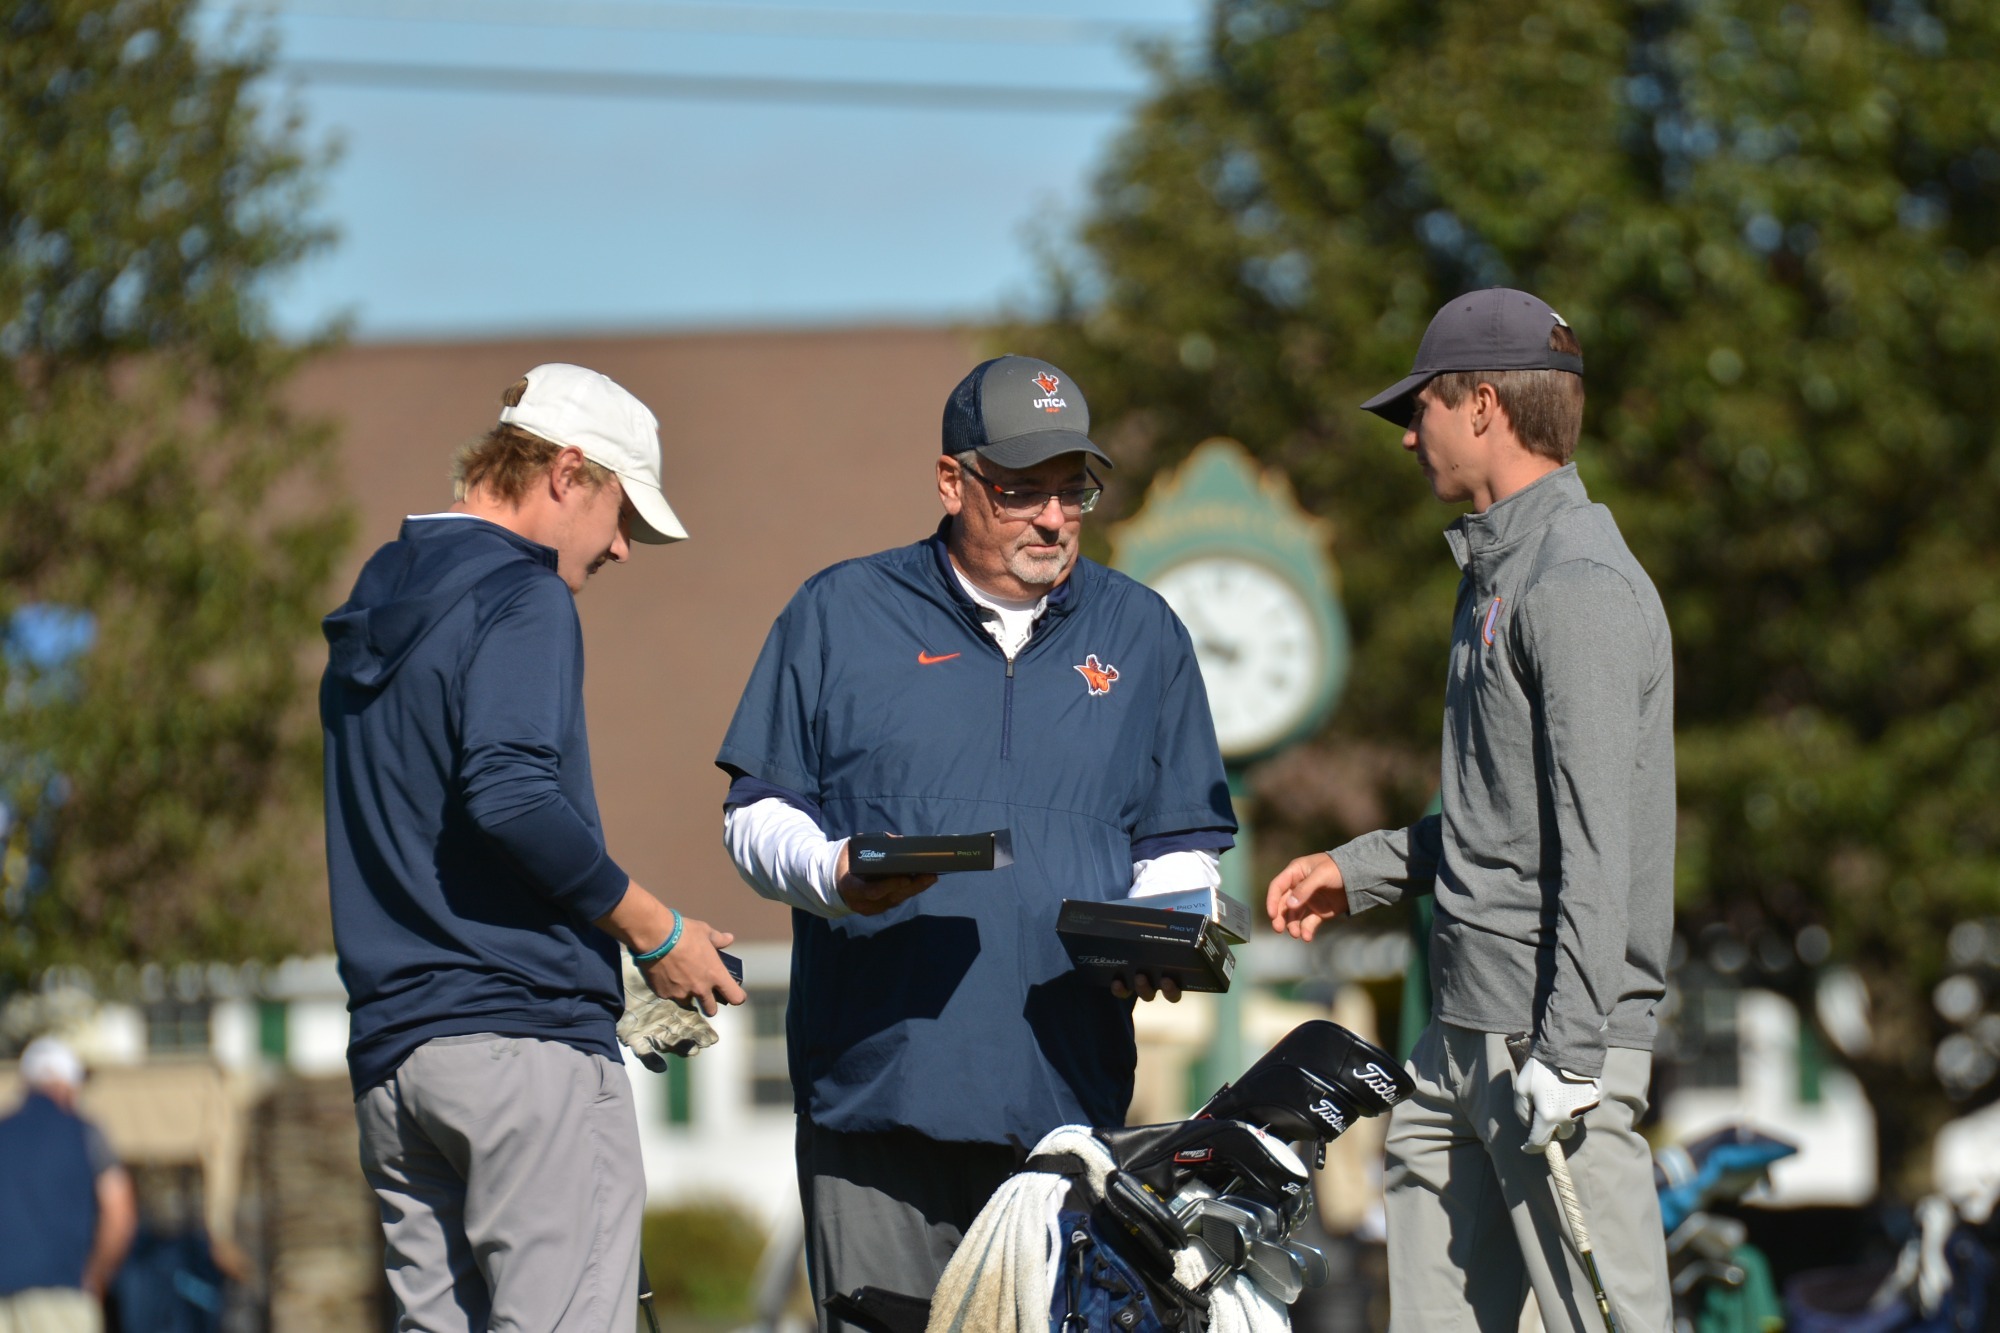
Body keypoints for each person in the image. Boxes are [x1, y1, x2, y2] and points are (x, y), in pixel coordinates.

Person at [717, 355, 1237, 1326]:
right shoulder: (838, 613)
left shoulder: (1143, 632)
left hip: (1066, 1102)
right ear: (951, 482)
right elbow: (754, 813)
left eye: (1070, 489)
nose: (1051, 517)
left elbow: (1177, 839)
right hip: (877, 1091)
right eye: (1020, 490)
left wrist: (1164, 925)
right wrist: (830, 872)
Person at [1266, 290, 1674, 1332]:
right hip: (1457, 1032)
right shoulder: (1495, 573)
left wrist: (1571, 1055)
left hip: (1547, 1042)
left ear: (1482, 405)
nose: (1408, 435)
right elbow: (1506, 823)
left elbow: (1594, 845)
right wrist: (1356, 868)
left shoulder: (1575, 584)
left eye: (1421, 409)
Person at [322, 363, 746, 1332]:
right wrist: (654, 929)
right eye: (623, 512)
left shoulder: (379, 597)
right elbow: (510, 797)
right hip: (522, 1049)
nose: (624, 549)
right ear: (565, 472)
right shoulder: (523, 595)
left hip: (396, 1065)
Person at [0, 1038, 137, 1333]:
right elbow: (120, 1214)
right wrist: (97, 1274)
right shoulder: (85, 1133)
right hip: (61, 1294)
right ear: (67, 1085)